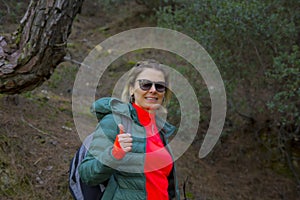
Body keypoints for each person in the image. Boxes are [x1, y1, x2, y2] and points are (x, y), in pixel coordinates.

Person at [78, 59, 180, 200]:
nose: (153, 90)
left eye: (160, 86)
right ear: (132, 89)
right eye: (145, 84)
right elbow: (87, 174)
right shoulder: (114, 122)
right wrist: (114, 154)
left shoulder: (160, 131)